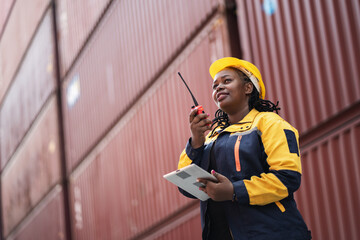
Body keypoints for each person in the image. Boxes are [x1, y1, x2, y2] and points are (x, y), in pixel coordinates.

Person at [178, 57, 311, 240]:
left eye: (227, 81)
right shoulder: (210, 137)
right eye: (215, 85)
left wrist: (234, 191)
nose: (218, 87)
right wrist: (196, 142)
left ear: (248, 88)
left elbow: (287, 178)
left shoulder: (270, 123)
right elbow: (185, 186)